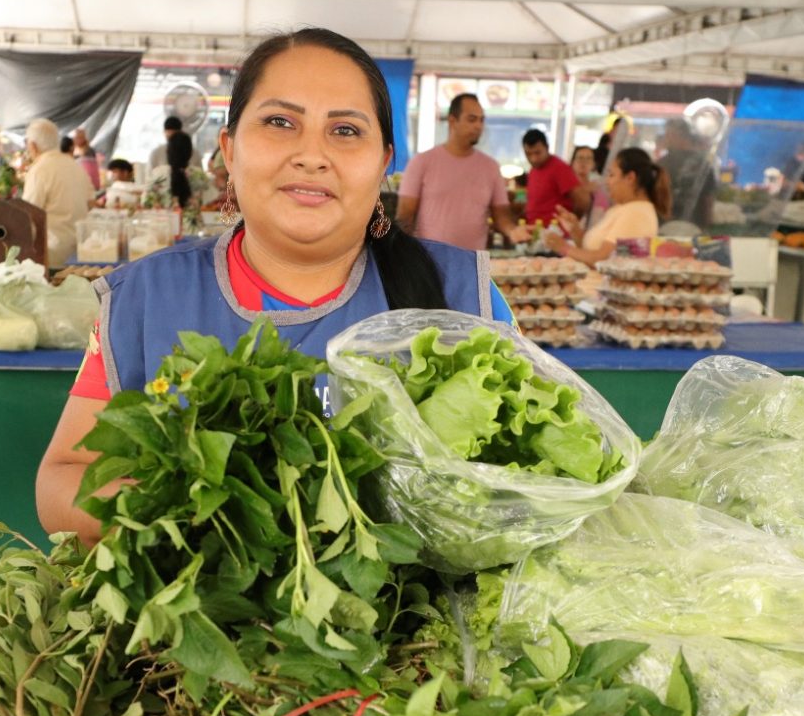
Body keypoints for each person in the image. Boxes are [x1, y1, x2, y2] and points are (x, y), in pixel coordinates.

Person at [37, 27, 513, 544]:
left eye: (346, 130)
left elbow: (537, 483)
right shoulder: (148, 297)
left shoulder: (467, 296)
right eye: (280, 122)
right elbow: (61, 478)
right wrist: (208, 523)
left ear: (383, 163)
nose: (312, 154)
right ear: (230, 151)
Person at [396, 93, 514, 251]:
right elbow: (405, 216)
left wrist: (513, 231)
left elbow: (501, 217)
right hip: (430, 262)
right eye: (472, 119)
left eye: (481, 120)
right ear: (452, 121)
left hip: (473, 264)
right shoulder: (421, 162)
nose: (478, 126)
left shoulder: (491, 167)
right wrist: (400, 255)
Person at [545, 147, 668, 265]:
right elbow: (590, 251)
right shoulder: (622, 208)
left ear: (630, 178)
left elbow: (603, 259)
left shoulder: (637, 212)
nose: (607, 181)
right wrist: (574, 230)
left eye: (612, 175)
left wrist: (564, 247)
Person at [21, 118, 95, 267]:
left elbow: (27, 216)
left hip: (52, 254)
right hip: (79, 251)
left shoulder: (39, 170)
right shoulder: (74, 165)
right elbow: (91, 203)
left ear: (33, 146)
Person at [659, 117, 718, 228]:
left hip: (673, 225)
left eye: (668, 135)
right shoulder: (703, 165)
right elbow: (709, 199)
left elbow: (708, 198)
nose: (666, 139)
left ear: (679, 136)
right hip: (692, 225)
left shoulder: (663, 164)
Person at [519, 129, 588, 224]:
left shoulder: (559, 168)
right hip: (535, 231)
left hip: (555, 233)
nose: (533, 159)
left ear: (547, 148)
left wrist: (570, 224)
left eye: (537, 153)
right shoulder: (533, 170)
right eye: (528, 154)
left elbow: (583, 201)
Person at [149, 130, 196, 210]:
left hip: (164, 222)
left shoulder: (158, 174)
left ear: (168, 152)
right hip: (194, 222)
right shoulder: (201, 177)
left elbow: (145, 201)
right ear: (190, 152)